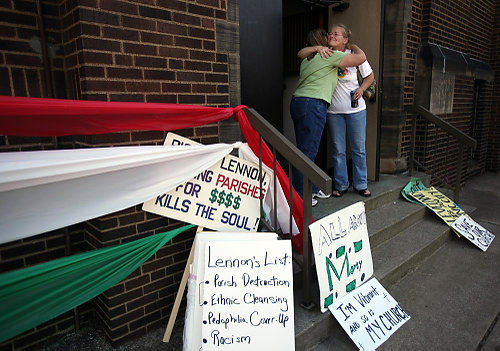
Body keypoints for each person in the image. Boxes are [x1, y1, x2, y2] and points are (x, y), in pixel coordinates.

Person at [291, 28, 366, 206]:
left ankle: (313, 189)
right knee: (308, 152)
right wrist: (353, 46)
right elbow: (361, 58)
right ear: (320, 40)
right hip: (313, 104)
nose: (330, 37)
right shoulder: (329, 55)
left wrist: (315, 48)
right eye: (327, 35)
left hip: (298, 103)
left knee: (305, 148)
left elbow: (300, 52)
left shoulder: (307, 59)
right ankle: (300, 195)